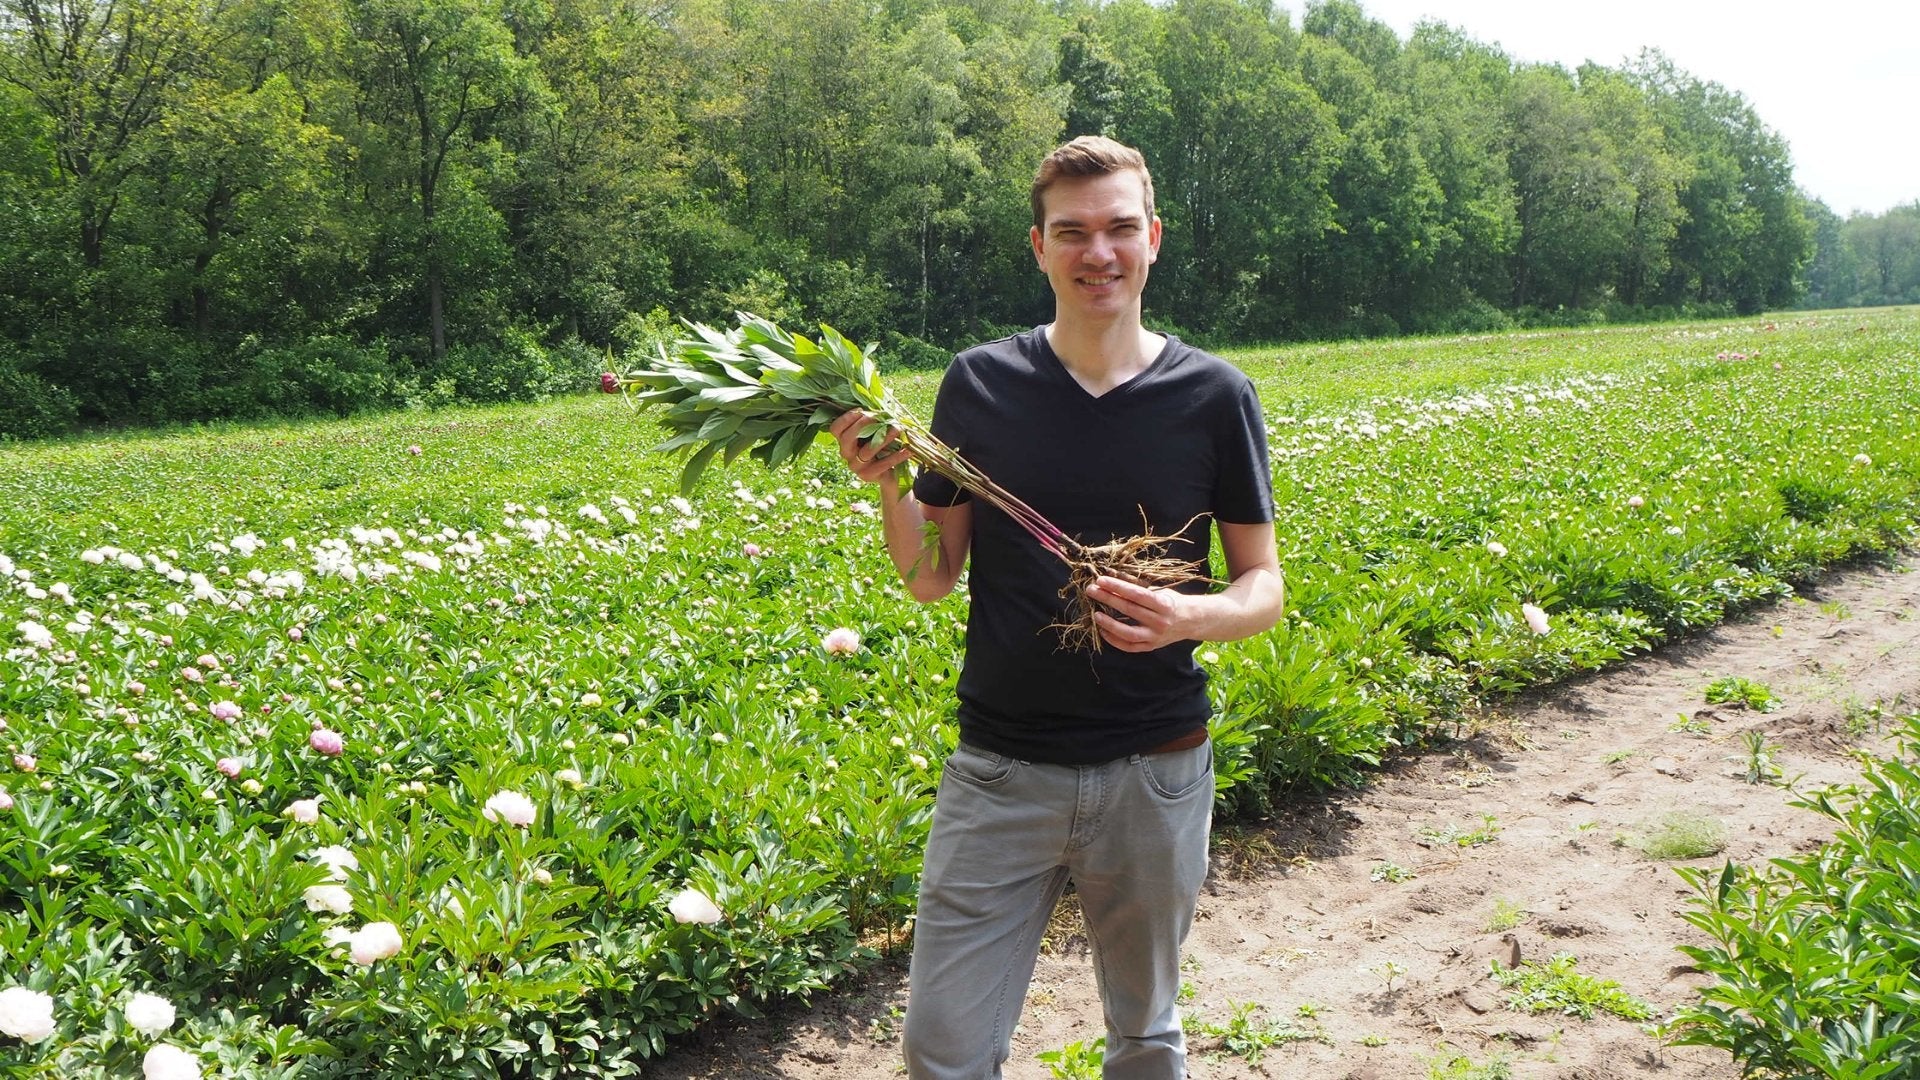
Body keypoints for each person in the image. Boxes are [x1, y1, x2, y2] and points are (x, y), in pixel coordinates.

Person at [830, 135, 1284, 1080]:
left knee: (1146, 1036)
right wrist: (886, 485)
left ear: (1153, 239)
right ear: (1038, 247)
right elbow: (928, 575)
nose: (1098, 253)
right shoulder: (979, 385)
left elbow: (1261, 587)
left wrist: (1188, 616)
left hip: (1156, 769)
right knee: (943, 1049)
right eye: (1072, 232)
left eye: (1120, 228)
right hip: (1000, 770)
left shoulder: (1213, 396)